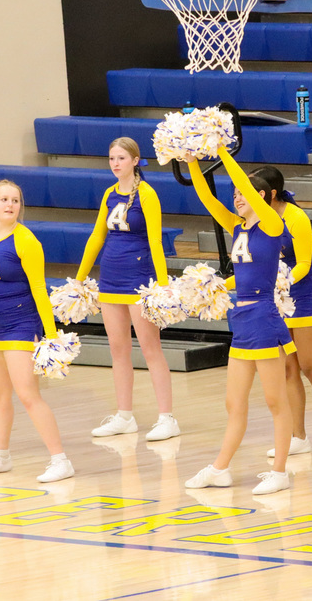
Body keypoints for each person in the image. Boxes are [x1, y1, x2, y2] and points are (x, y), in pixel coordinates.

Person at [183, 146, 296, 495]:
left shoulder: (273, 224)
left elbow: (242, 185)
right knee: (234, 403)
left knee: (276, 401)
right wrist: (190, 158)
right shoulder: (237, 226)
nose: (236, 198)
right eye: (234, 194)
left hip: (264, 315)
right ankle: (220, 468)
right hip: (242, 318)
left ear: (260, 197)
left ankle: (279, 471)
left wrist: (220, 151)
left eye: (242, 193)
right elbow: (205, 196)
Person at [0, 180, 74, 483]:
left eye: (15, 200)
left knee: (28, 395)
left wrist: (51, 336)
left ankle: (60, 460)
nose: (10, 205)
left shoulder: (27, 241)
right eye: (4, 199)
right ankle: (0, 455)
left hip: (20, 325)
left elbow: (40, 289)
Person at [76, 137, 179, 443]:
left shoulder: (147, 194)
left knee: (150, 349)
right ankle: (124, 416)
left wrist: (162, 286)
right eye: (111, 159)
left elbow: (156, 241)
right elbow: (97, 236)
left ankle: (167, 418)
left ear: (135, 161)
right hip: (110, 278)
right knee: (118, 350)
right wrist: (80, 277)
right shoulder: (109, 194)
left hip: (139, 279)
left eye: (121, 158)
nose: (116, 163)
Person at [247, 166, 312, 458]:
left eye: (252, 189)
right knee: (287, 369)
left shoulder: (296, 217)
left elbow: (304, 263)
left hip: (305, 298)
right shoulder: (256, 219)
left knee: (310, 366)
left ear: (269, 193)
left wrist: (279, 283)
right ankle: (298, 436)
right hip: (279, 299)